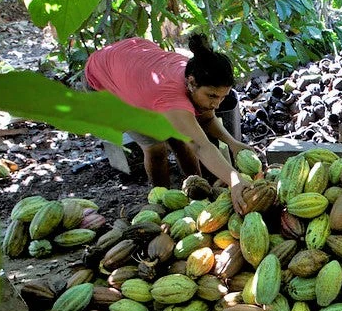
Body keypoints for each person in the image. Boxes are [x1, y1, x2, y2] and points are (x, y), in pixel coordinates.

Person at [84, 34, 255, 214]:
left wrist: (233, 144)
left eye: (222, 97)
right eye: (212, 96)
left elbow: (207, 119)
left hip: (132, 60)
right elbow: (200, 146)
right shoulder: (171, 97)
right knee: (156, 147)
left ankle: (198, 193)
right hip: (103, 80)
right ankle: (162, 205)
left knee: (182, 139)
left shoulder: (200, 72)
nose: (217, 104)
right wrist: (234, 179)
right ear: (191, 83)